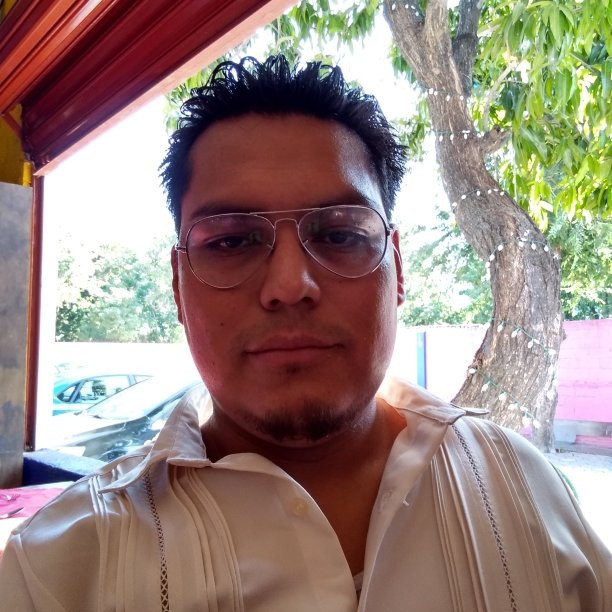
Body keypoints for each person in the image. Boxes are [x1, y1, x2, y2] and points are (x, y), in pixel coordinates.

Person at [0, 55, 610, 611]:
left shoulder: (523, 486)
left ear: (397, 269)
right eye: (231, 241)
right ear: (179, 287)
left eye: (340, 233)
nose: (290, 285)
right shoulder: (54, 571)